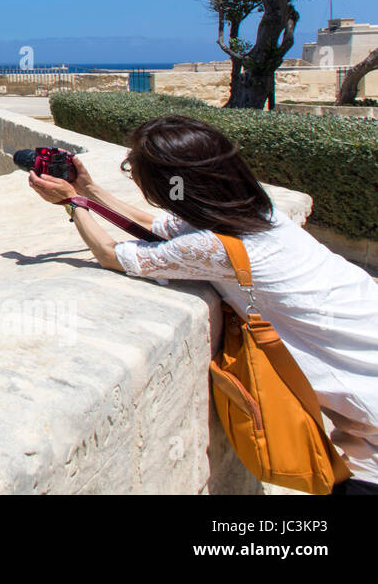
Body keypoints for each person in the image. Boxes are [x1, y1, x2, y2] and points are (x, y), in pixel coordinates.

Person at [27, 114, 378, 494]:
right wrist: (90, 190)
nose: (133, 175)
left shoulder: (213, 247)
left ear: (167, 182)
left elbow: (112, 254)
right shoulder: (260, 215)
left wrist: (71, 203)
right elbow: (161, 227)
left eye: (133, 169)